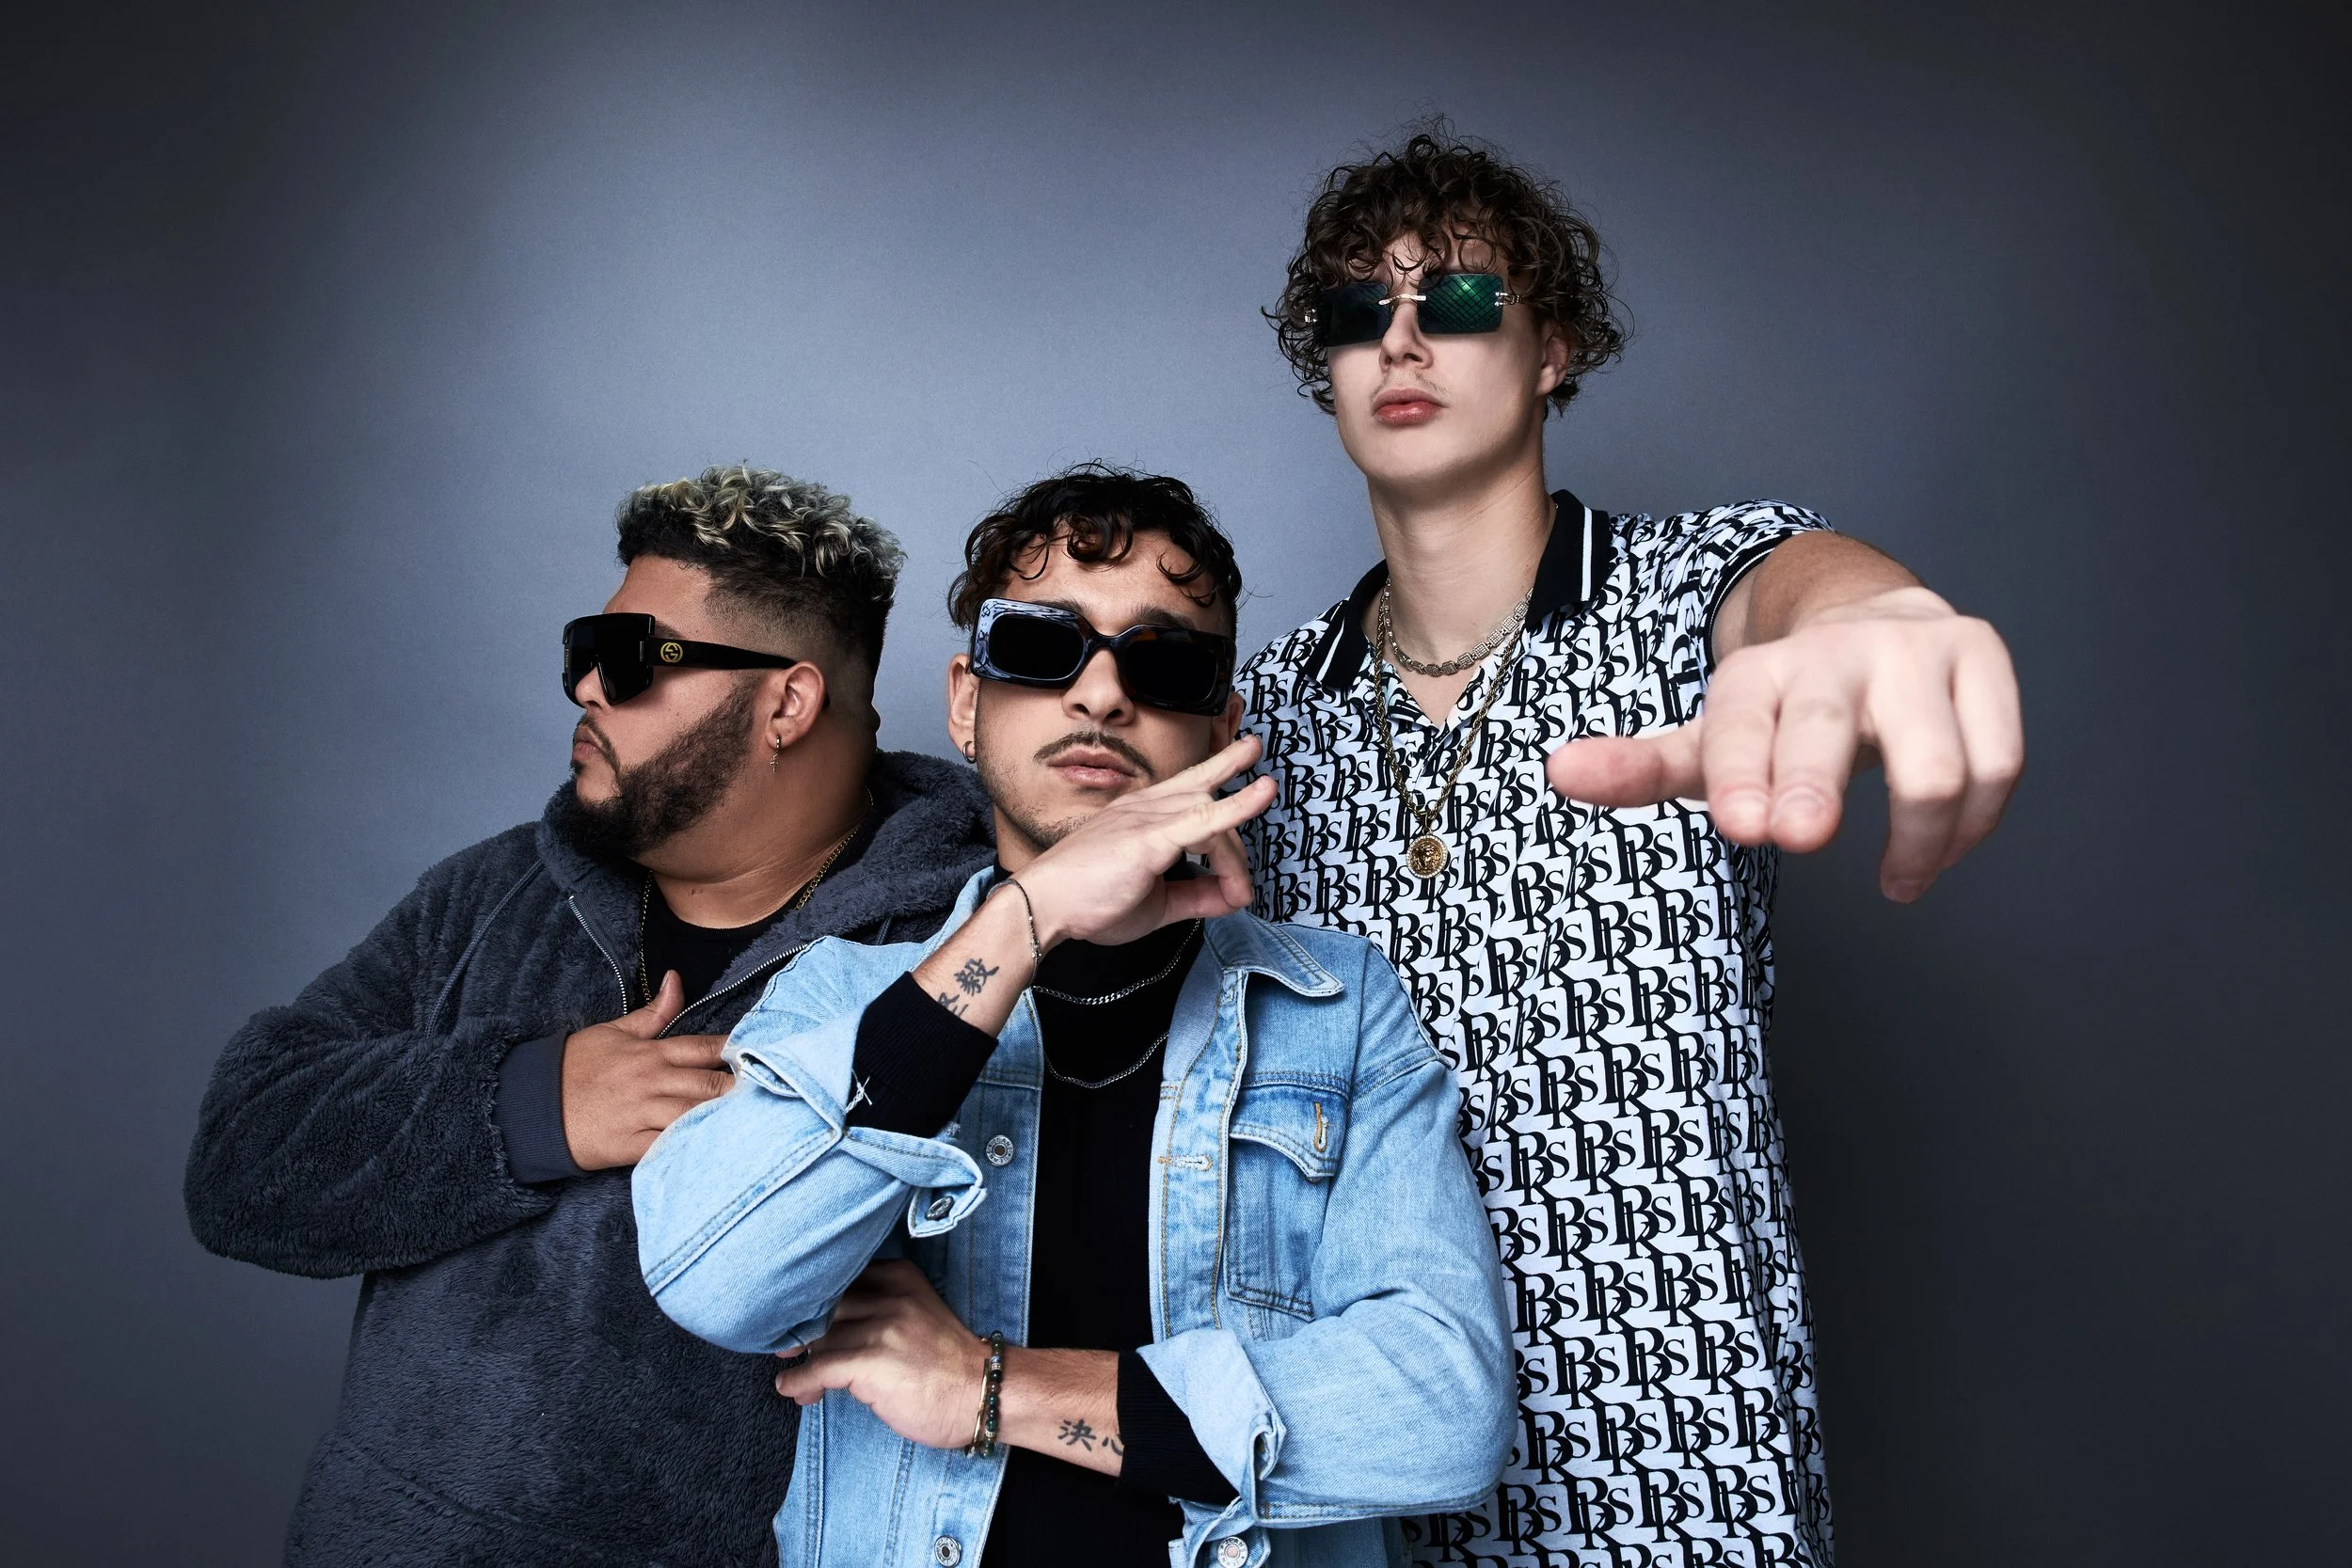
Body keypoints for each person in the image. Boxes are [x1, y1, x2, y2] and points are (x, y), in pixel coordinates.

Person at [1239, 130, 2026, 1567]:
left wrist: (1873, 620)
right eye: (1359, 310)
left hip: (1682, 1459)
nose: (1401, 337)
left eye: (1456, 299)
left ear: (1554, 348)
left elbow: (1797, 585)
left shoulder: (1675, 593)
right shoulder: (1275, 703)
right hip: (1371, 1469)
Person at [633, 466, 1515, 1568]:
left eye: (1163, 661)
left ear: (1221, 730)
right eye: (1041, 646)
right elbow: (715, 1279)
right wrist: (1034, 912)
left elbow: (1443, 1409)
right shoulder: (842, 994)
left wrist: (990, 1385)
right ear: (965, 701)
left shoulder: (1333, 1007)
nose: (1100, 694)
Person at [184, 467, 995, 1566]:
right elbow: (241, 1164)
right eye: (583, 650)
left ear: (787, 704)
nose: (584, 689)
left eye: (629, 658)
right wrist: (531, 1103)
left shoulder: (963, 944)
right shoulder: (493, 896)